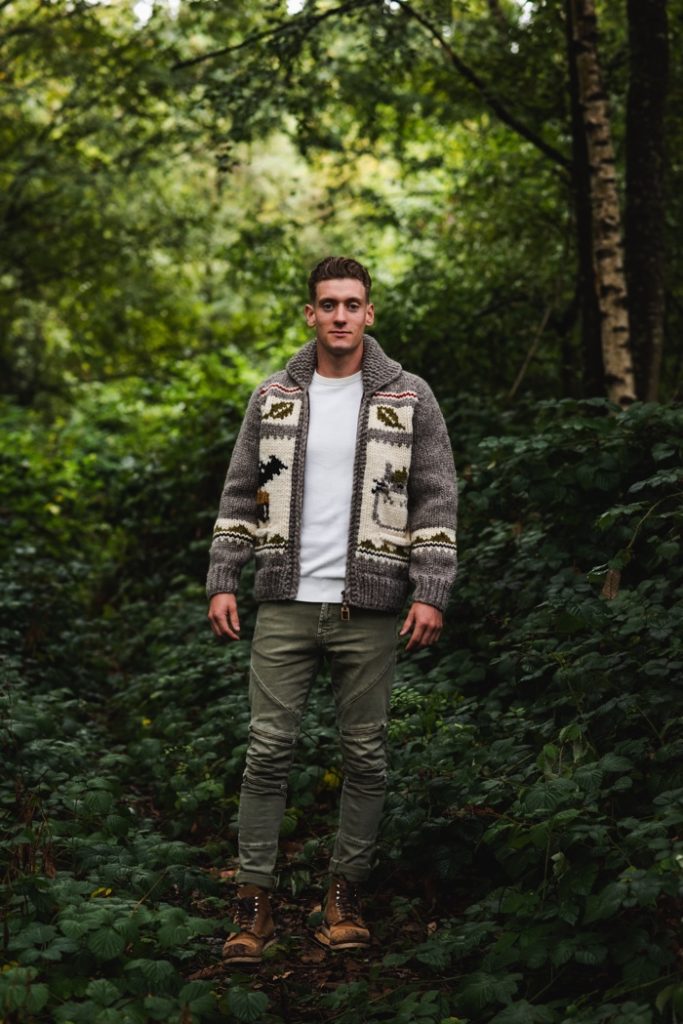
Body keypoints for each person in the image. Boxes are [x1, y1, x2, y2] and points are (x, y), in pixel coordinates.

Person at [207, 255, 457, 962]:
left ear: (368, 313)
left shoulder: (408, 396)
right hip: (285, 601)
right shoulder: (274, 396)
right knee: (266, 752)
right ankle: (253, 901)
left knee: (366, 755)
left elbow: (436, 497)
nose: (340, 315)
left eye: (352, 304)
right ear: (310, 314)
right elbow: (239, 492)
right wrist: (223, 576)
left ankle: (344, 894)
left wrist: (430, 589)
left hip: (369, 607)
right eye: (328, 304)